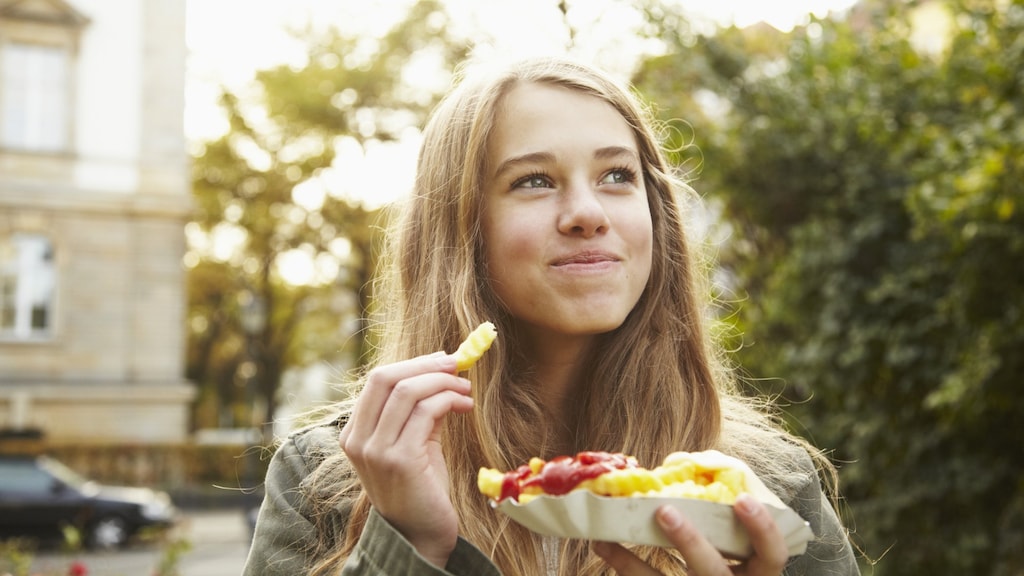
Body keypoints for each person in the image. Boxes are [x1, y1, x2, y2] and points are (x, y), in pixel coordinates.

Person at [242, 56, 860, 576]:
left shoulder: (768, 488)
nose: (588, 212)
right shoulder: (327, 482)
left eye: (617, 175)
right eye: (534, 181)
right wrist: (406, 545)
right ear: (460, 232)